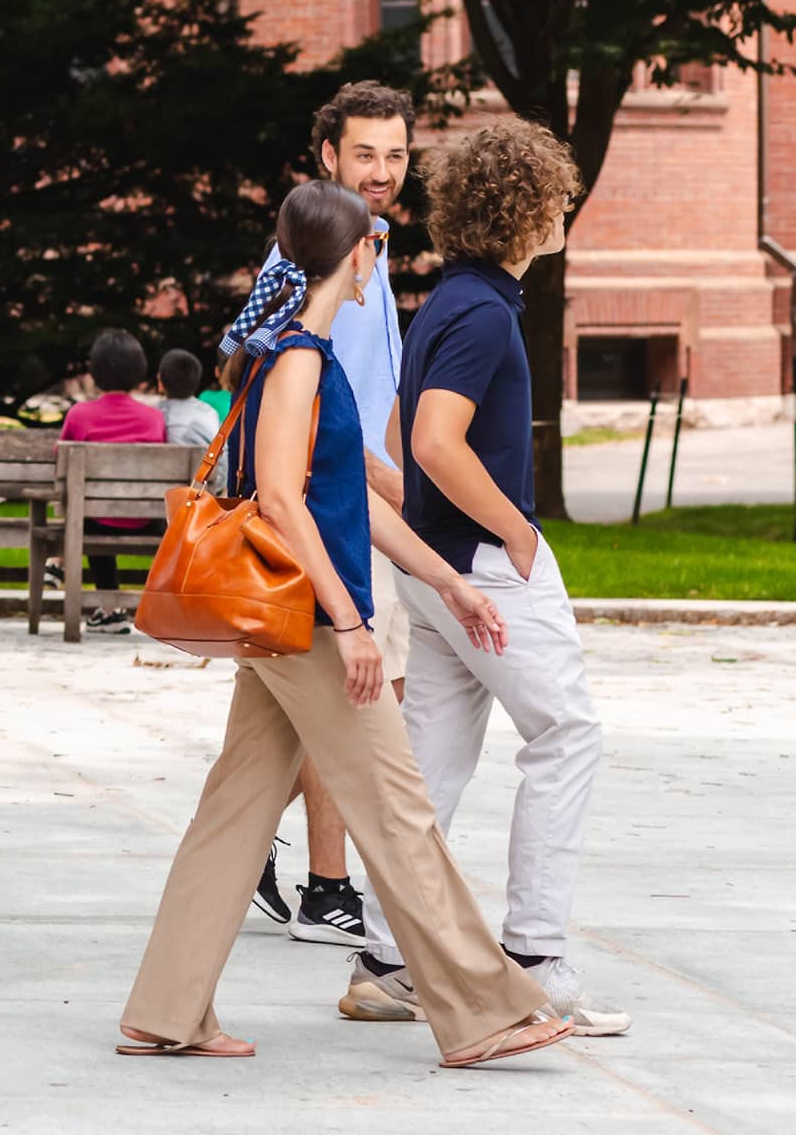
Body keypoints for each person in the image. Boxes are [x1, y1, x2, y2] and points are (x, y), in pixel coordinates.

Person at [117, 179, 572, 1067]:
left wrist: (449, 580)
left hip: (288, 621)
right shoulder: (296, 361)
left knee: (236, 808)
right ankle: (483, 1012)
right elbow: (284, 504)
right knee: (399, 811)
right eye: (378, 245)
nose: (382, 261)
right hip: (313, 624)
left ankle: (166, 1010)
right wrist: (353, 625)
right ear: (357, 253)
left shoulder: (299, 354)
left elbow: (354, 502)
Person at [342, 121, 630, 1036]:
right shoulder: (485, 313)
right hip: (483, 568)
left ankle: (388, 961)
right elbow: (429, 440)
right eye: (556, 198)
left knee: (428, 765)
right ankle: (537, 957)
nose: (563, 212)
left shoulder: (447, 304)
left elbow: (396, 440)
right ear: (526, 209)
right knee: (567, 735)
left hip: (435, 566)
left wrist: (431, 519)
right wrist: (515, 530)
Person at [253, 81, 414, 946]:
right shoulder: (315, 263)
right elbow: (301, 396)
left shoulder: (373, 253)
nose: (382, 170)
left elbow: (375, 391)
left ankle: (249, 851)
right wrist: (390, 490)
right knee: (356, 703)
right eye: (364, 153)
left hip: (358, 510)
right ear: (328, 157)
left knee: (306, 720)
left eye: (394, 153)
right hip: (330, 519)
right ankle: (327, 887)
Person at [58, 329, 166, 634]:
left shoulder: (79, 415)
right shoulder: (153, 418)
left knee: (89, 513)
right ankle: (122, 609)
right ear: (139, 371)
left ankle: (109, 608)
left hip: (95, 517)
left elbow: (61, 461)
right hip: (146, 518)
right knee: (98, 511)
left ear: (94, 371)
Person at [156, 346, 225, 492]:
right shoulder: (210, 413)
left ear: (160, 382)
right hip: (201, 498)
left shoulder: (155, 414)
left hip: (159, 497)